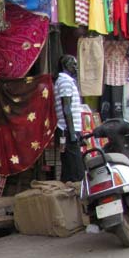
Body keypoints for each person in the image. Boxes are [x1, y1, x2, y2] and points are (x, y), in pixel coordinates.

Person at [54, 54, 85, 182]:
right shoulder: (65, 82)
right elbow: (66, 107)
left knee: (69, 165)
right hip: (66, 129)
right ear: (66, 66)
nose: (76, 67)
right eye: (74, 65)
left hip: (68, 129)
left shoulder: (67, 81)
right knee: (76, 168)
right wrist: (72, 133)